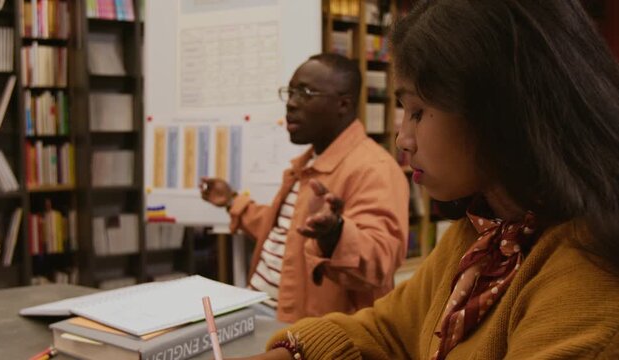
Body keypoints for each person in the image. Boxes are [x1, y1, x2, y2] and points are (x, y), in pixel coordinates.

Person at [230, 0, 619, 359]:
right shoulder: (481, 235)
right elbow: (391, 328)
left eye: (417, 111)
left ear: (499, 110)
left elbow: (379, 262)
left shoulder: (587, 282)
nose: (402, 139)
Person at [200, 53, 409, 323]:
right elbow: (288, 232)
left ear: (343, 104)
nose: (291, 104)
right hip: (262, 310)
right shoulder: (311, 161)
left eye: (305, 93)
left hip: (309, 336)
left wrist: (335, 235)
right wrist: (231, 201)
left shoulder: (374, 168)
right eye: (290, 92)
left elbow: (381, 260)